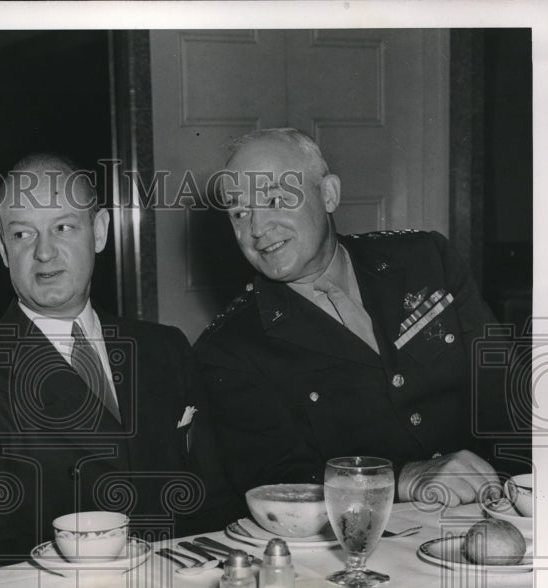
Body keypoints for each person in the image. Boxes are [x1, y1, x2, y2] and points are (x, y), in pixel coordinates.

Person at [0, 154, 239, 575]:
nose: (44, 252)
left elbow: (211, 501)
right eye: (22, 234)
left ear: (99, 231)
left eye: (64, 227)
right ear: (1, 248)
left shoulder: (165, 349)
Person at [195, 127, 507, 507]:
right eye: (240, 213)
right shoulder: (229, 348)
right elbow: (276, 481)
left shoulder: (426, 259)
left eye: (276, 199)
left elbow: (503, 389)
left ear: (328, 194)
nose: (257, 229)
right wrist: (401, 479)